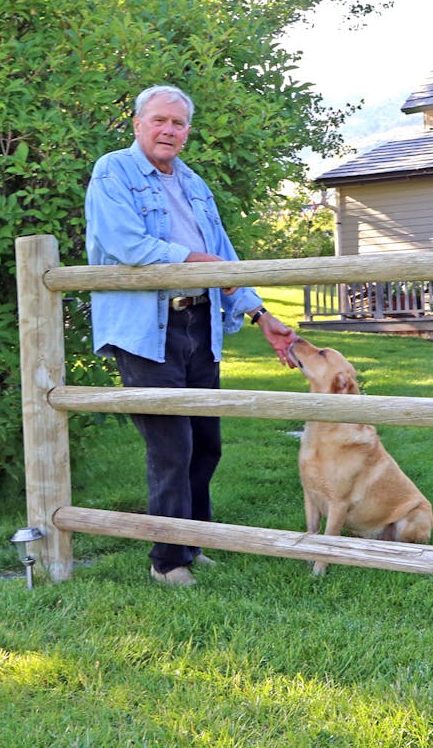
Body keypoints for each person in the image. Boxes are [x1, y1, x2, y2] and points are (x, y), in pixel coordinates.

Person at [85, 84, 297, 587]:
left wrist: (260, 315)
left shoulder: (194, 184)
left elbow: (222, 252)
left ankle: (191, 542)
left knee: (206, 444)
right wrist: (195, 261)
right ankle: (168, 562)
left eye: (178, 124)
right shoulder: (112, 171)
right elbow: (123, 243)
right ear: (137, 124)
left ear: (187, 132)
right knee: (170, 448)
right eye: (159, 121)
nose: (168, 131)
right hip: (145, 329)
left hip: (199, 323)